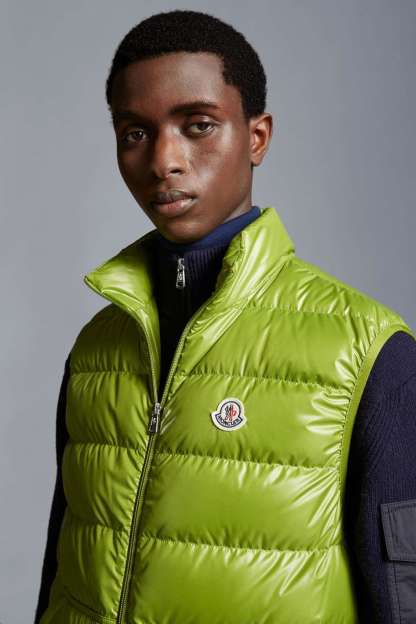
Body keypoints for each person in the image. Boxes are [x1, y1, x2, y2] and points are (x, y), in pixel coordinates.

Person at [35, 9, 416, 624]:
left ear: (257, 137)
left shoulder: (372, 353)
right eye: (135, 132)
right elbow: (62, 571)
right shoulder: (96, 348)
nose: (164, 160)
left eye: (199, 126)